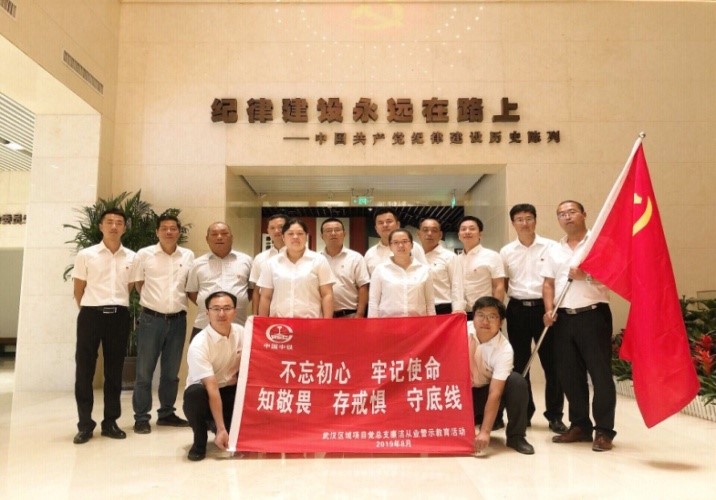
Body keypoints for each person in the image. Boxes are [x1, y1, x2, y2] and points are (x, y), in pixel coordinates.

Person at [542, 200, 616, 452]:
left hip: (593, 316)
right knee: (570, 375)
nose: (567, 217)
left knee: (600, 375)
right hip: (563, 318)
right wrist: (548, 309)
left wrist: (587, 276)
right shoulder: (554, 249)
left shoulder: (599, 243)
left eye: (571, 212)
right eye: (561, 214)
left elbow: (613, 275)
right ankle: (580, 425)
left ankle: (604, 430)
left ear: (584, 214)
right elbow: (548, 283)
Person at [71, 208, 136, 444]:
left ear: (124, 228)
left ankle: (110, 422)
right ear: (101, 226)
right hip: (91, 315)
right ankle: (85, 425)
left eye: (119, 222)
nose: (114, 226)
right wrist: (91, 310)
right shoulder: (86, 255)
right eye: (109, 222)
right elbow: (78, 289)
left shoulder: (132, 257)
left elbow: (128, 288)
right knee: (84, 371)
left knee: (114, 372)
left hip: (119, 317)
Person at [500, 204, 566, 434]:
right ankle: (524, 413)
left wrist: (549, 308)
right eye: (519, 219)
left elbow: (556, 279)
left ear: (535, 220)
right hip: (517, 309)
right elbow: (505, 282)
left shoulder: (551, 247)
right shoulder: (506, 251)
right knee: (520, 365)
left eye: (528, 218)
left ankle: (555, 416)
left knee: (552, 364)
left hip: (545, 310)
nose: (524, 223)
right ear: (513, 223)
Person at [130, 214, 194, 434]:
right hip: (151, 319)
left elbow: (188, 285)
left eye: (173, 228)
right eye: (164, 228)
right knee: (144, 372)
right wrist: (155, 304)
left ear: (179, 232)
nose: (169, 232)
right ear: (157, 231)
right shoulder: (144, 254)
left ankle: (166, 413)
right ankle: (141, 417)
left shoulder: (188, 255)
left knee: (171, 372)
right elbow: (139, 284)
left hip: (178, 320)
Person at [469, 296, 534, 455]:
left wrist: (485, 432)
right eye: (480, 315)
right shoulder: (459, 330)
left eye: (492, 316)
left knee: (517, 381)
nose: (485, 321)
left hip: (485, 395)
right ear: (473, 317)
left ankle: (516, 436)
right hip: (458, 395)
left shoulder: (504, 349)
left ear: (501, 322)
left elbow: (495, 393)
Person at [183, 291, 243, 461]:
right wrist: (221, 428)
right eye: (216, 309)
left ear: (235, 312)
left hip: (229, 391)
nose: (221, 314)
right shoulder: (199, 344)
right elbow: (212, 387)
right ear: (207, 313)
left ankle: (218, 427)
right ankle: (200, 439)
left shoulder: (242, 333)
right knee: (194, 394)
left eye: (227, 308)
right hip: (206, 393)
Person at [257, 218, 335, 318]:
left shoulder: (319, 260)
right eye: (290, 233)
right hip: (280, 323)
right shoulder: (271, 263)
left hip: (311, 322)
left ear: (306, 237)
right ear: (283, 237)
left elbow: (327, 294)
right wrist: (263, 323)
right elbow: (265, 297)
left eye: (300, 233)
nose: (295, 237)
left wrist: (326, 322)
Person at [186, 222, 252, 339]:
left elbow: (252, 290)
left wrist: (240, 301)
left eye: (224, 233)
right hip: (204, 324)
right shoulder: (197, 264)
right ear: (207, 239)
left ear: (232, 237)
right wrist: (209, 305)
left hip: (238, 325)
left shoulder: (246, 261)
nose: (219, 237)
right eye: (214, 234)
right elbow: (192, 292)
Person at [368, 229, 436, 317]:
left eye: (405, 241)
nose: (400, 245)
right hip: (388, 322)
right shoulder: (380, 270)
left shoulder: (424, 270)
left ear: (412, 245)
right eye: (395, 242)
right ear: (390, 246)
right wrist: (373, 324)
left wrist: (432, 323)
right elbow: (373, 302)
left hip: (418, 322)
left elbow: (430, 303)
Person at [456, 215, 506, 318]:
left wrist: (495, 313)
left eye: (472, 228)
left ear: (480, 234)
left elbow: (499, 286)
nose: (467, 232)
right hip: (461, 313)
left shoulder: (492, 256)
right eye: (463, 229)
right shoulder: (456, 260)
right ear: (459, 235)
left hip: (485, 312)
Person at [319, 218, 370, 318]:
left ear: (344, 233)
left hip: (350, 315)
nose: (333, 233)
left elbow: (363, 287)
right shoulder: (317, 259)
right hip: (323, 315)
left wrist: (360, 314)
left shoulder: (356, 258)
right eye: (328, 231)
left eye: (337, 230)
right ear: (322, 236)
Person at [417, 218, 465, 315]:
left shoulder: (450, 257)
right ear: (418, 234)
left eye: (434, 230)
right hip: (419, 309)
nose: (429, 233)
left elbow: (457, 285)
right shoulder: (413, 257)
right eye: (425, 230)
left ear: (440, 235)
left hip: (443, 308)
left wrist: (458, 309)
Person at [364, 208, 427, 276]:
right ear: (376, 228)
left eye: (389, 221)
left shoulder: (414, 247)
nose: (385, 225)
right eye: (380, 223)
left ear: (398, 225)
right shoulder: (370, 254)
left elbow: (425, 273)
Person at [249, 213, 287, 315]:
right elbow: (256, 291)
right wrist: (255, 316)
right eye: (272, 228)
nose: (276, 231)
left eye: (281, 227)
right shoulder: (260, 258)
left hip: (290, 311)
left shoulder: (298, 256)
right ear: (268, 231)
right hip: (265, 311)